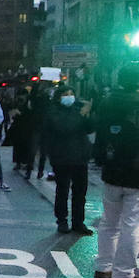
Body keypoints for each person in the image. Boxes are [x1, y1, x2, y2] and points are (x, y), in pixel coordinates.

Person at [92, 61, 139, 278]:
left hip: (112, 170)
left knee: (109, 222)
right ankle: (124, 273)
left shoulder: (107, 102)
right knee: (133, 225)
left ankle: (103, 268)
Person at [44, 84, 94, 235]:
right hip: (62, 157)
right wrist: (81, 114)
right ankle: (62, 220)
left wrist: (88, 115)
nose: (69, 97)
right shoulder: (53, 111)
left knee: (80, 192)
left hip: (80, 157)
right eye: (65, 94)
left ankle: (78, 222)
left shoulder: (78, 109)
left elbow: (90, 128)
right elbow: (64, 127)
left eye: (71, 93)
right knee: (62, 191)